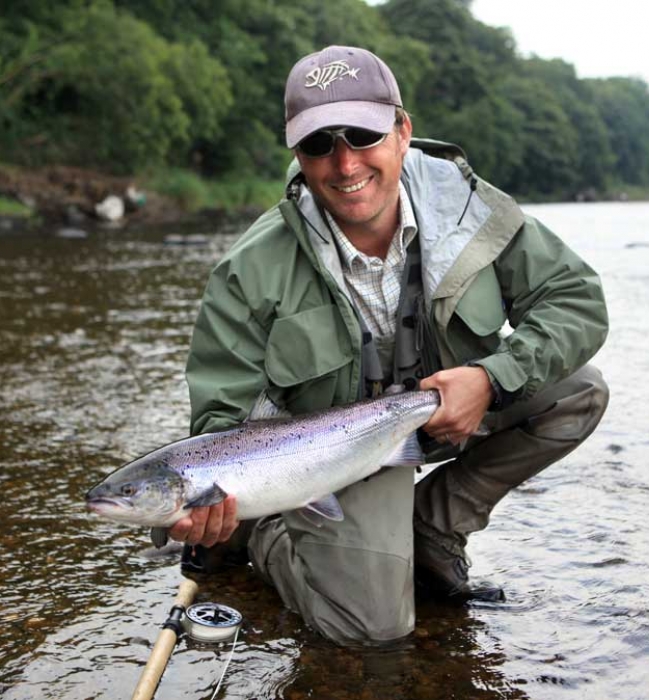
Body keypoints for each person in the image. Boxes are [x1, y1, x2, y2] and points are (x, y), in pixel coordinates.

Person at [169, 45, 609, 645]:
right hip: (330, 460)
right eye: (320, 144)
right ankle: (268, 530)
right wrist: (234, 500)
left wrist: (492, 377)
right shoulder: (249, 269)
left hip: (448, 412)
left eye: (363, 134)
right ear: (298, 153)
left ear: (402, 131)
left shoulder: (471, 214)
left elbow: (576, 302)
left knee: (578, 391)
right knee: (373, 628)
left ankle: (435, 527)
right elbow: (221, 418)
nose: (345, 163)